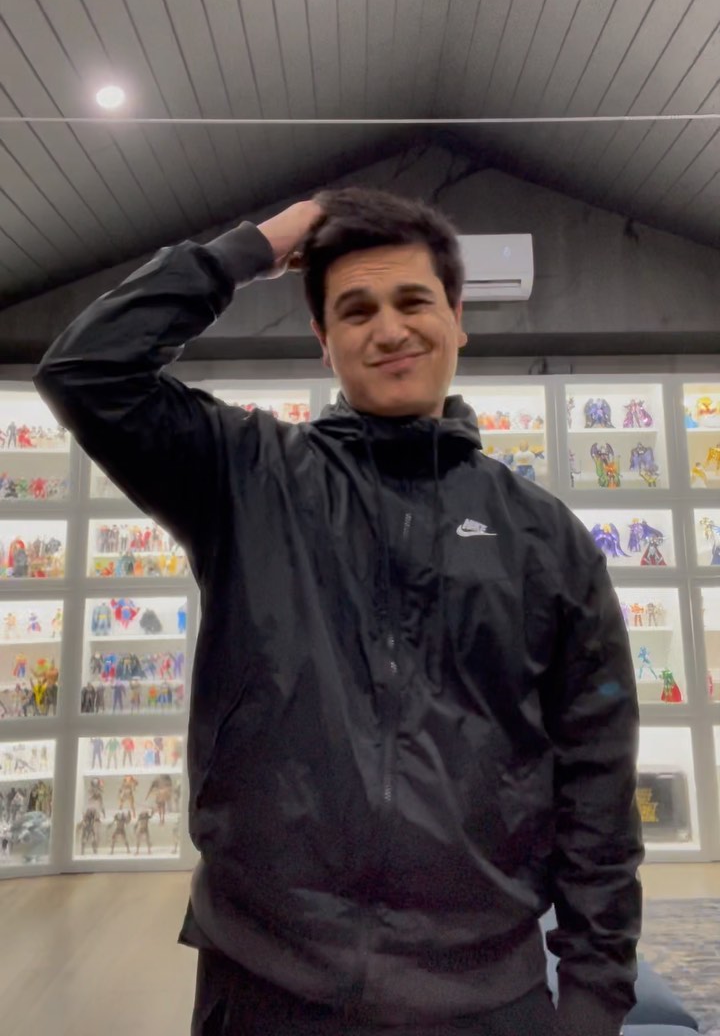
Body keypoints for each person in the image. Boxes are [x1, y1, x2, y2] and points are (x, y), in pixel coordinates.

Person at [34, 187, 643, 1036]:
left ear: (458, 319)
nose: (389, 329)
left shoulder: (546, 537)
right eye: (356, 310)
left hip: (484, 993)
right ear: (323, 341)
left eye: (413, 301)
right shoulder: (248, 477)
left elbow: (597, 780)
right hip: (265, 982)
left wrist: (595, 996)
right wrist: (253, 246)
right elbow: (84, 371)